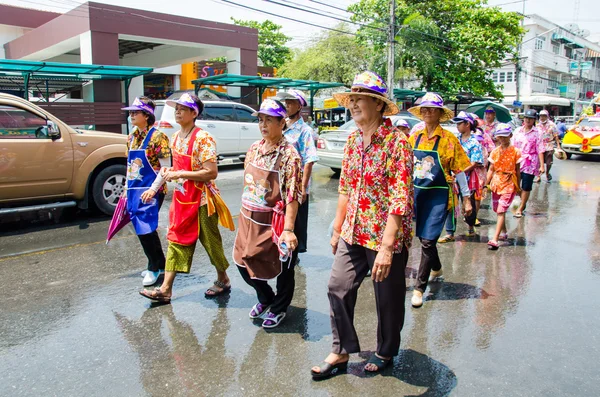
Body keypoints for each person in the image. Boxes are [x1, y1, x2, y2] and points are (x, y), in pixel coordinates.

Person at [311, 71, 413, 379]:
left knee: (388, 298)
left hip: (385, 236)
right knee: (337, 287)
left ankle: (385, 350)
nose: (353, 104)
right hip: (353, 231)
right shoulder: (353, 139)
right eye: (351, 98)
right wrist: (338, 226)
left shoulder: (398, 142)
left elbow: (400, 197)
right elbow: (346, 187)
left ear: (379, 105)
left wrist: (386, 248)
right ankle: (341, 350)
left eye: (360, 98)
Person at [139, 93, 234, 304]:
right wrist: (156, 188)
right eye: (177, 108)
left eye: (183, 109)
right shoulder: (175, 137)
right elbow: (172, 169)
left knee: (210, 242)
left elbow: (211, 172)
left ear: (194, 113)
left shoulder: (203, 138)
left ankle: (223, 278)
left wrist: (180, 174)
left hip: (202, 200)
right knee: (176, 239)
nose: (178, 112)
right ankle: (165, 289)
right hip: (182, 199)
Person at [233, 98, 303, 329]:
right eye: (261, 120)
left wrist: (289, 230)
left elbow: (292, 195)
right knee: (242, 261)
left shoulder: (289, 155)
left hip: (276, 222)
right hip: (249, 218)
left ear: (282, 123)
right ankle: (266, 298)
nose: (263, 125)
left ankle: (280, 307)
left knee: (283, 266)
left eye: (269, 120)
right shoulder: (254, 148)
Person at [407, 93, 473, 308]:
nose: (427, 112)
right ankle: (436, 267)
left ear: (440, 113)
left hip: (439, 195)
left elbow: (460, 171)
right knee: (424, 240)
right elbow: (406, 166)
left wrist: (467, 199)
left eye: (431, 109)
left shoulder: (449, 139)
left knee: (427, 240)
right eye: (423, 109)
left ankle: (419, 288)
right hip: (417, 194)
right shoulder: (414, 136)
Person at [122, 97, 171, 287]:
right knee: (141, 227)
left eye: (136, 112)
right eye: (131, 112)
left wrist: (153, 190)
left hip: (152, 189)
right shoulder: (132, 136)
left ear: (147, 115)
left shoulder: (159, 137)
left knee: (146, 228)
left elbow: (165, 169)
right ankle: (158, 263)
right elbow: (129, 166)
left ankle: (154, 267)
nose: (131, 115)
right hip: (135, 190)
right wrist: (126, 189)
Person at [275, 90, 319, 256]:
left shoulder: (304, 130)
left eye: (291, 102)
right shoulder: (282, 125)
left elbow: (309, 160)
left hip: (296, 184)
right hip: (280, 182)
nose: (287, 105)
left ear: (300, 106)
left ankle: (291, 255)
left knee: (294, 221)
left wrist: (302, 187)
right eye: (286, 102)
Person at [439, 112, 483, 242]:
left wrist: (460, 171)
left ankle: (470, 225)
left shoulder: (474, 142)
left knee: (468, 206)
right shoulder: (455, 139)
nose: (457, 126)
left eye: (460, 123)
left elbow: (475, 162)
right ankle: (450, 232)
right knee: (451, 205)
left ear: (467, 124)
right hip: (453, 179)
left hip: (468, 179)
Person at [485, 123, 521, 250]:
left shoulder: (516, 152)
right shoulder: (494, 152)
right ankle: (504, 233)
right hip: (496, 182)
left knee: (501, 210)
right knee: (498, 210)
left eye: (505, 136)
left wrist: (518, 187)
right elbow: (490, 169)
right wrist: (485, 184)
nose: (503, 139)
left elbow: (517, 170)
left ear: (510, 136)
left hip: (509, 182)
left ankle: (495, 239)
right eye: (500, 137)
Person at [511, 109, 544, 218]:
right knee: (515, 184)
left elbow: (540, 148)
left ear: (534, 120)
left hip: (530, 162)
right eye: (526, 118)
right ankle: (522, 200)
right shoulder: (518, 131)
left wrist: (542, 165)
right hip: (517, 160)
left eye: (530, 118)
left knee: (526, 185)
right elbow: (512, 146)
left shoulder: (537, 132)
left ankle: (521, 207)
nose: (528, 120)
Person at [537, 110, 561, 183]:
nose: (542, 118)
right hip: (540, 145)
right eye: (541, 116)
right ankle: (538, 176)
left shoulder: (552, 125)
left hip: (549, 145)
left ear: (547, 116)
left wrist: (558, 145)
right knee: (538, 162)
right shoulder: (537, 125)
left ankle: (547, 173)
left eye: (544, 116)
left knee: (549, 162)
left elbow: (556, 135)